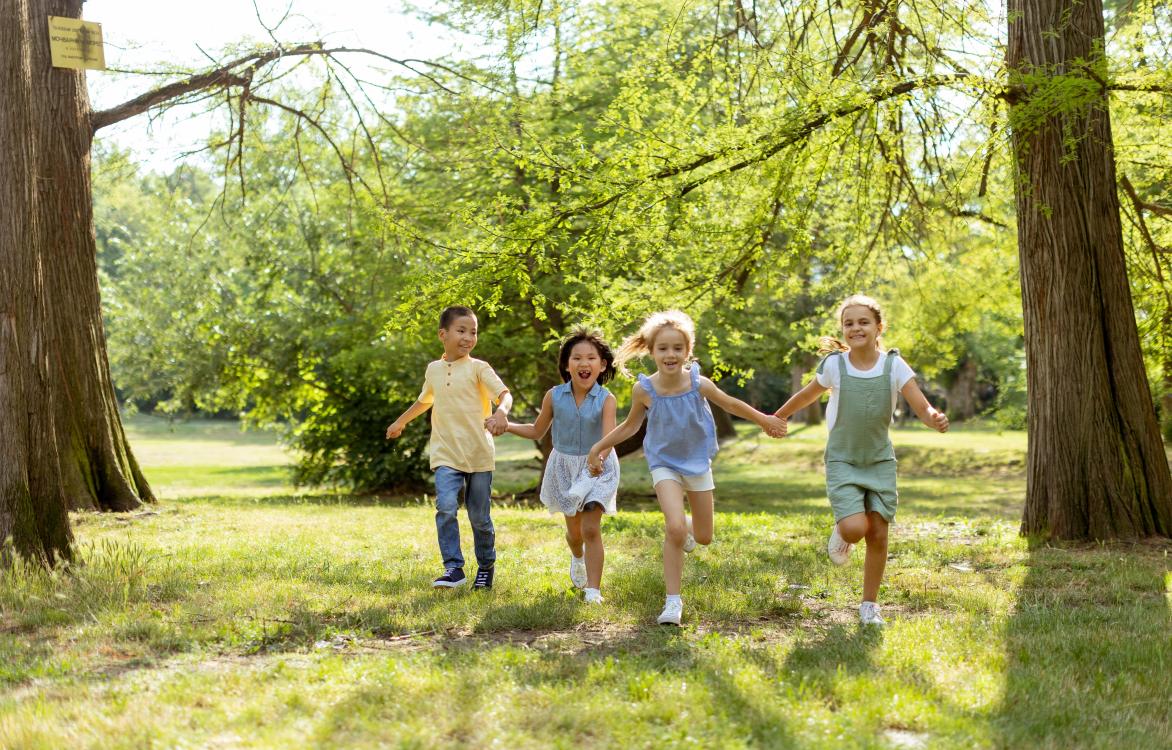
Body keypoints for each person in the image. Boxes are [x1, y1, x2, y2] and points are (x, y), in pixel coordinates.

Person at [587, 311, 786, 625]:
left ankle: (688, 529)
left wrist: (765, 420)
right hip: (663, 463)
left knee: (704, 536)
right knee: (675, 529)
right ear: (651, 352)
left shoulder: (698, 383)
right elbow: (629, 427)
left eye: (677, 348)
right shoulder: (645, 390)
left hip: (696, 462)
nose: (670, 355)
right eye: (663, 348)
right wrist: (598, 447)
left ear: (687, 351)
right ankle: (672, 603)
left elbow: (731, 404)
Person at [773, 294, 948, 626]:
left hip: (880, 460)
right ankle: (842, 531)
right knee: (855, 529)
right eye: (848, 323)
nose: (855, 328)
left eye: (863, 322)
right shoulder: (835, 366)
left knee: (879, 534)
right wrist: (777, 417)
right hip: (842, 459)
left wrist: (934, 417)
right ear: (843, 329)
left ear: (879, 327)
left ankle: (869, 605)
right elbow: (808, 394)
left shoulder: (893, 365)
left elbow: (920, 405)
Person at [386, 305, 512, 590]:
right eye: (461, 331)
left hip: (479, 454)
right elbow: (425, 400)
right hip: (445, 453)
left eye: (473, 332)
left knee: (479, 518)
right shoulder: (433, 370)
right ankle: (453, 568)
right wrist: (400, 422)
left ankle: (486, 566)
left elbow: (504, 394)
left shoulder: (479, 368)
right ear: (443, 334)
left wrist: (501, 412)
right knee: (445, 507)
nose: (468, 337)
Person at [506, 327, 620, 604]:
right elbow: (536, 431)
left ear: (602, 364)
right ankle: (577, 556)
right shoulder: (554, 396)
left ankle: (593, 590)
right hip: (564, 466)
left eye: (591, 358)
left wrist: (598, 459)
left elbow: (609, 439)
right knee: (575, 533)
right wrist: (505, 425)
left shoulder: (607, 399)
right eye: (576, 358)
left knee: (592, 529)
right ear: (567, 365)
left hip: (599, 466)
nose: (584, 364)